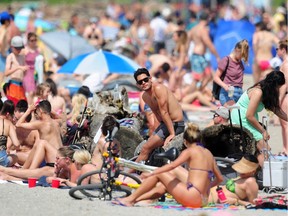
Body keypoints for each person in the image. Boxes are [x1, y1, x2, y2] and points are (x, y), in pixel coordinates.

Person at [112, 123, 223, 207]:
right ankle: (136, 199)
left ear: (185, 141)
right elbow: (219, 179)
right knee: (165, 185)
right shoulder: (208, 153)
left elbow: (171, 166)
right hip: (203, 199)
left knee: (161, 173)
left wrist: (152, 173)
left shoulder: (190, 151)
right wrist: (206, 187)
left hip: (193, 198)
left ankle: (130, 200)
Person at [230, 71, 288, 167]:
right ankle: (265, 175)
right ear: (274, 85)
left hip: (249, 118)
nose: (278, 90)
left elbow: (276, 110)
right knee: (265, 150)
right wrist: (262, 131)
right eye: (278, 87)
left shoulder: (266, 91)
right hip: (242, 118)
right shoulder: (258, 92)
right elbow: (249, 116)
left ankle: (258, 171)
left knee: (263, 149)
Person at [132, 68, 184, 167]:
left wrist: (172, 133)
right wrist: (154, 133)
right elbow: (156, 115)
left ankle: (130, 173)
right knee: (147, 148)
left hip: (175, 124)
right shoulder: (145, 97)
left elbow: (164, 112)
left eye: (145, 80)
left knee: (146, 148)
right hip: (164, 125)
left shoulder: (159, 89)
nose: (143, 83)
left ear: (150, 78)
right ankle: (137, 171)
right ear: (137, 84)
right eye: (140, 82)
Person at [15, 100, 63, 169]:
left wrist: (29, 110)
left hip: (53, 161)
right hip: (60, 156)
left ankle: (26, 170)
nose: (35, 114)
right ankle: (24, 170)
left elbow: (18, 124)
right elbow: (59, 117)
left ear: (40, 111)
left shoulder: (41, 124)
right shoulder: (56, 123)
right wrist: (48, 110)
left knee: (38, 144)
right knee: (37, 144)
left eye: (36, 111)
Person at [188, 11, 220, 92]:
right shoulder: (203, 30)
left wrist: (185, 54)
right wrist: (217, 56)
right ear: (208, 19)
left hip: (197, 55)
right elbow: (209, 44)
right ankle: (190, 94)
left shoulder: (193, 29)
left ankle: (198, 92)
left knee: (209, 75)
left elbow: (187, 42)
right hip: (198, 56)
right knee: (197, 79)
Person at [213, 39, 249, 106]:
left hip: (239, 92)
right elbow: (215, 77)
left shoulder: (240, 62)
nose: (242, 57)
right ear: (236, 50)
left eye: (244, 55)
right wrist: (224, 85)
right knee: (234, 112)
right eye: (241, 54)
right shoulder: (226, 60)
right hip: (227, 93)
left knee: (243, 112)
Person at [12, 100, 39, 166]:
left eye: (18, 120)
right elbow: (7, 147)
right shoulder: (13, 129)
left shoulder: (35, 131)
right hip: (16, 160)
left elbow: (38, 151)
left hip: (29, 159)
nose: (14, 120)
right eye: (15, 118)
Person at [4, 36, 28, 104]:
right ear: (12, 47)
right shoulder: (10, 57)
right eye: (17, 48)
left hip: (21, 85)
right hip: (13, 85)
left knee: (22, 106)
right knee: (14, 105)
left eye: (20, 48)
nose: (19, 50)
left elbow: (23, 74)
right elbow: (6, 73)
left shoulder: (22, 57)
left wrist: (25, 70)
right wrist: (18, 67)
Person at [0, 101, 20, 167]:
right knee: (15, 157)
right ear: (8, 114)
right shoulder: (8, 124)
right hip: (1, 160)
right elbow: (17, 144)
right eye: (12, 116)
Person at [277, 40, 288, 155]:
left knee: (285, 124)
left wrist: (279, 98)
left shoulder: (286, 64)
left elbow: (285, 83)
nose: (276, 51)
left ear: (283, 50)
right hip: (285, 95)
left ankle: (286, 149)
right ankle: (285, 148)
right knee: (284, 124)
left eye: (277, 49)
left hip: (285, 95)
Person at [24, 32, 40, 104]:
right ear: (28, 41)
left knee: (35, 92)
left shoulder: (38, 50)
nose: (33, 42)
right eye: (31, 40)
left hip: (36, 72)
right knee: (30, 92)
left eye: (35, 40)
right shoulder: (25, 50)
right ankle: (30, 109)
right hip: (27, 72)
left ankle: (32, 108)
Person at [0, 11, 11, 86]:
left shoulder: (1, 28)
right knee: (2, 75)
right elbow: (0, 41)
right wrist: (3, 53)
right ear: (6, 21)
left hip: (2, 54)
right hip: (2, 55)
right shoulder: (3, 30)